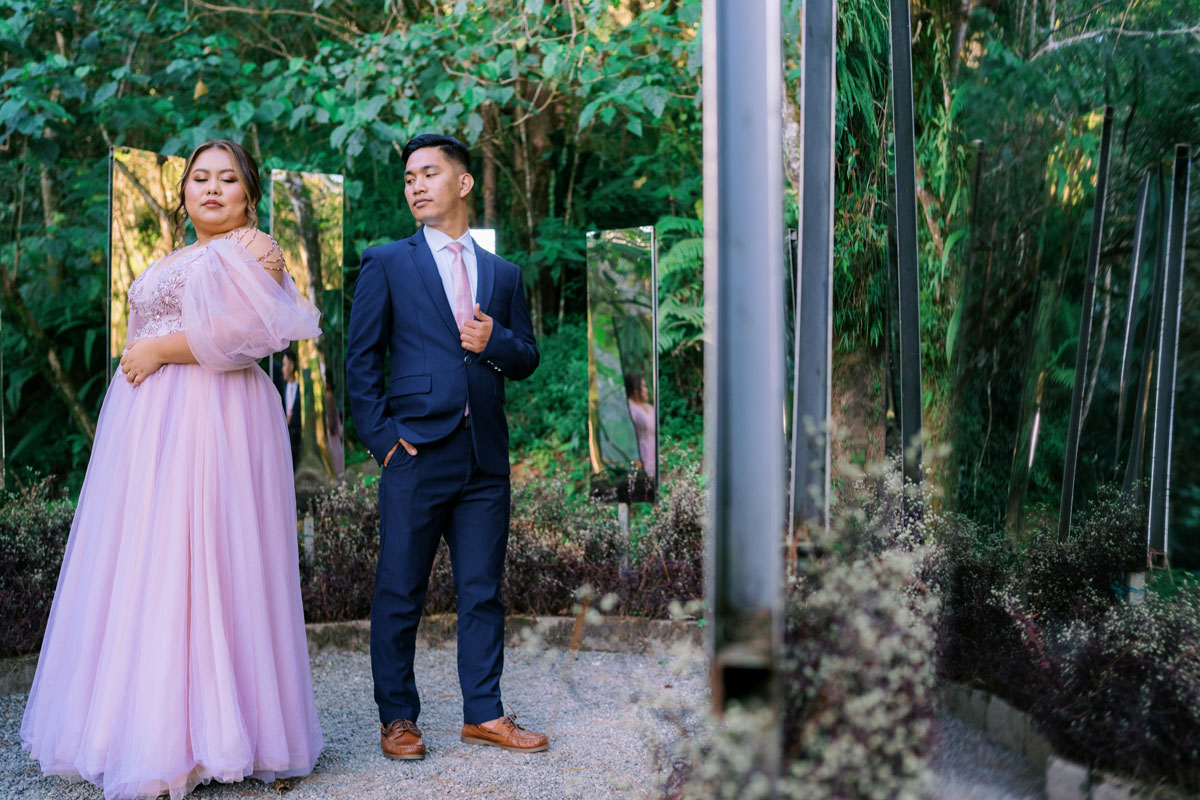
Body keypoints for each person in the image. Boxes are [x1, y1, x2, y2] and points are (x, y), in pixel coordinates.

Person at [21, 139, 324, 799]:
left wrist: (158, 350)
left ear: (248, 194)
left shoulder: (254, 246)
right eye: (199, 178)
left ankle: (213, 736)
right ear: (183, 191)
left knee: (206, 556)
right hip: (148, 422)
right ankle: (143, 724)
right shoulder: (177, 254)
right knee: (150, 559)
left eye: (227, 179)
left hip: (215, 416)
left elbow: (247, 333)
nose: (211, 188)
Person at [347, 133, 544, 761]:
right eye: (409, 178)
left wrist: (495, 341)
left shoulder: (503, 273)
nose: (416, 186)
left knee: (483, 591)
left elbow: (527, 356)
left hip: (484, 456)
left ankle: (484, 714)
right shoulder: (386, 262)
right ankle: (398, 718)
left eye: (429, 174)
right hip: (414, 453)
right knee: (399, 590)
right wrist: (384, 442)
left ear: (463, 183)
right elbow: (360, 361)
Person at [624, 371, 657, 481]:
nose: (646, 390)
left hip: (654, 453)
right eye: (643, 386)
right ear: (635, 390)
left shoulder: (649, 407)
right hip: (640, 455)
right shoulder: (629, 409)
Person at [281, 349, 303, 466]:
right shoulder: (281, 388)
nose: (282, 369)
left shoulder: (301, 389)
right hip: (285, 436)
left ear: (291, 366)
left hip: (298, 438)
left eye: (284, 365)